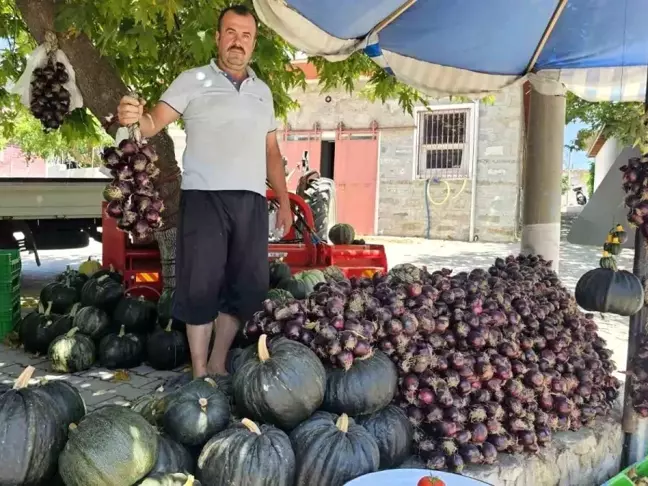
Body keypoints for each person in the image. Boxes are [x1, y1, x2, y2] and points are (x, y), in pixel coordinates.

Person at [117, 4, 292, 378]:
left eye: (246, 35)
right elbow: (151, 124)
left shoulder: (264, 92)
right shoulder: (192, 80)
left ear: (254, 42)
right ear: (217, 37)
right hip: (203, 198)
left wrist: (285, 200)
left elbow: (272, 152)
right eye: (230, 32)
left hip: (251, 201)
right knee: (200, 287)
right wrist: (133, 117)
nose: (237, 42)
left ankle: (218, 361)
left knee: (243, 287)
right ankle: (199, 372)